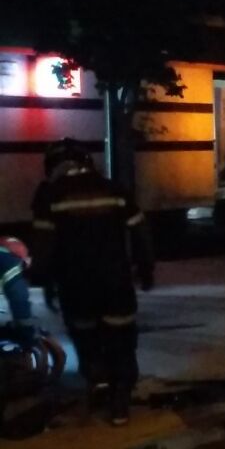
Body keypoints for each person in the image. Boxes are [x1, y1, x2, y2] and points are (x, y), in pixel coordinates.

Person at [31, 140, 155, 425]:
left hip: (75, 286)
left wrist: (45, 282)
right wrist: (146, 268)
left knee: (85, 335)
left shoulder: (50, 196)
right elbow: (141, 233)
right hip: (116, 283)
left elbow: (43, 248)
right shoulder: (114, 190)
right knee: (121, 338)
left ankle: (98, 383)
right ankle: (120, 401)